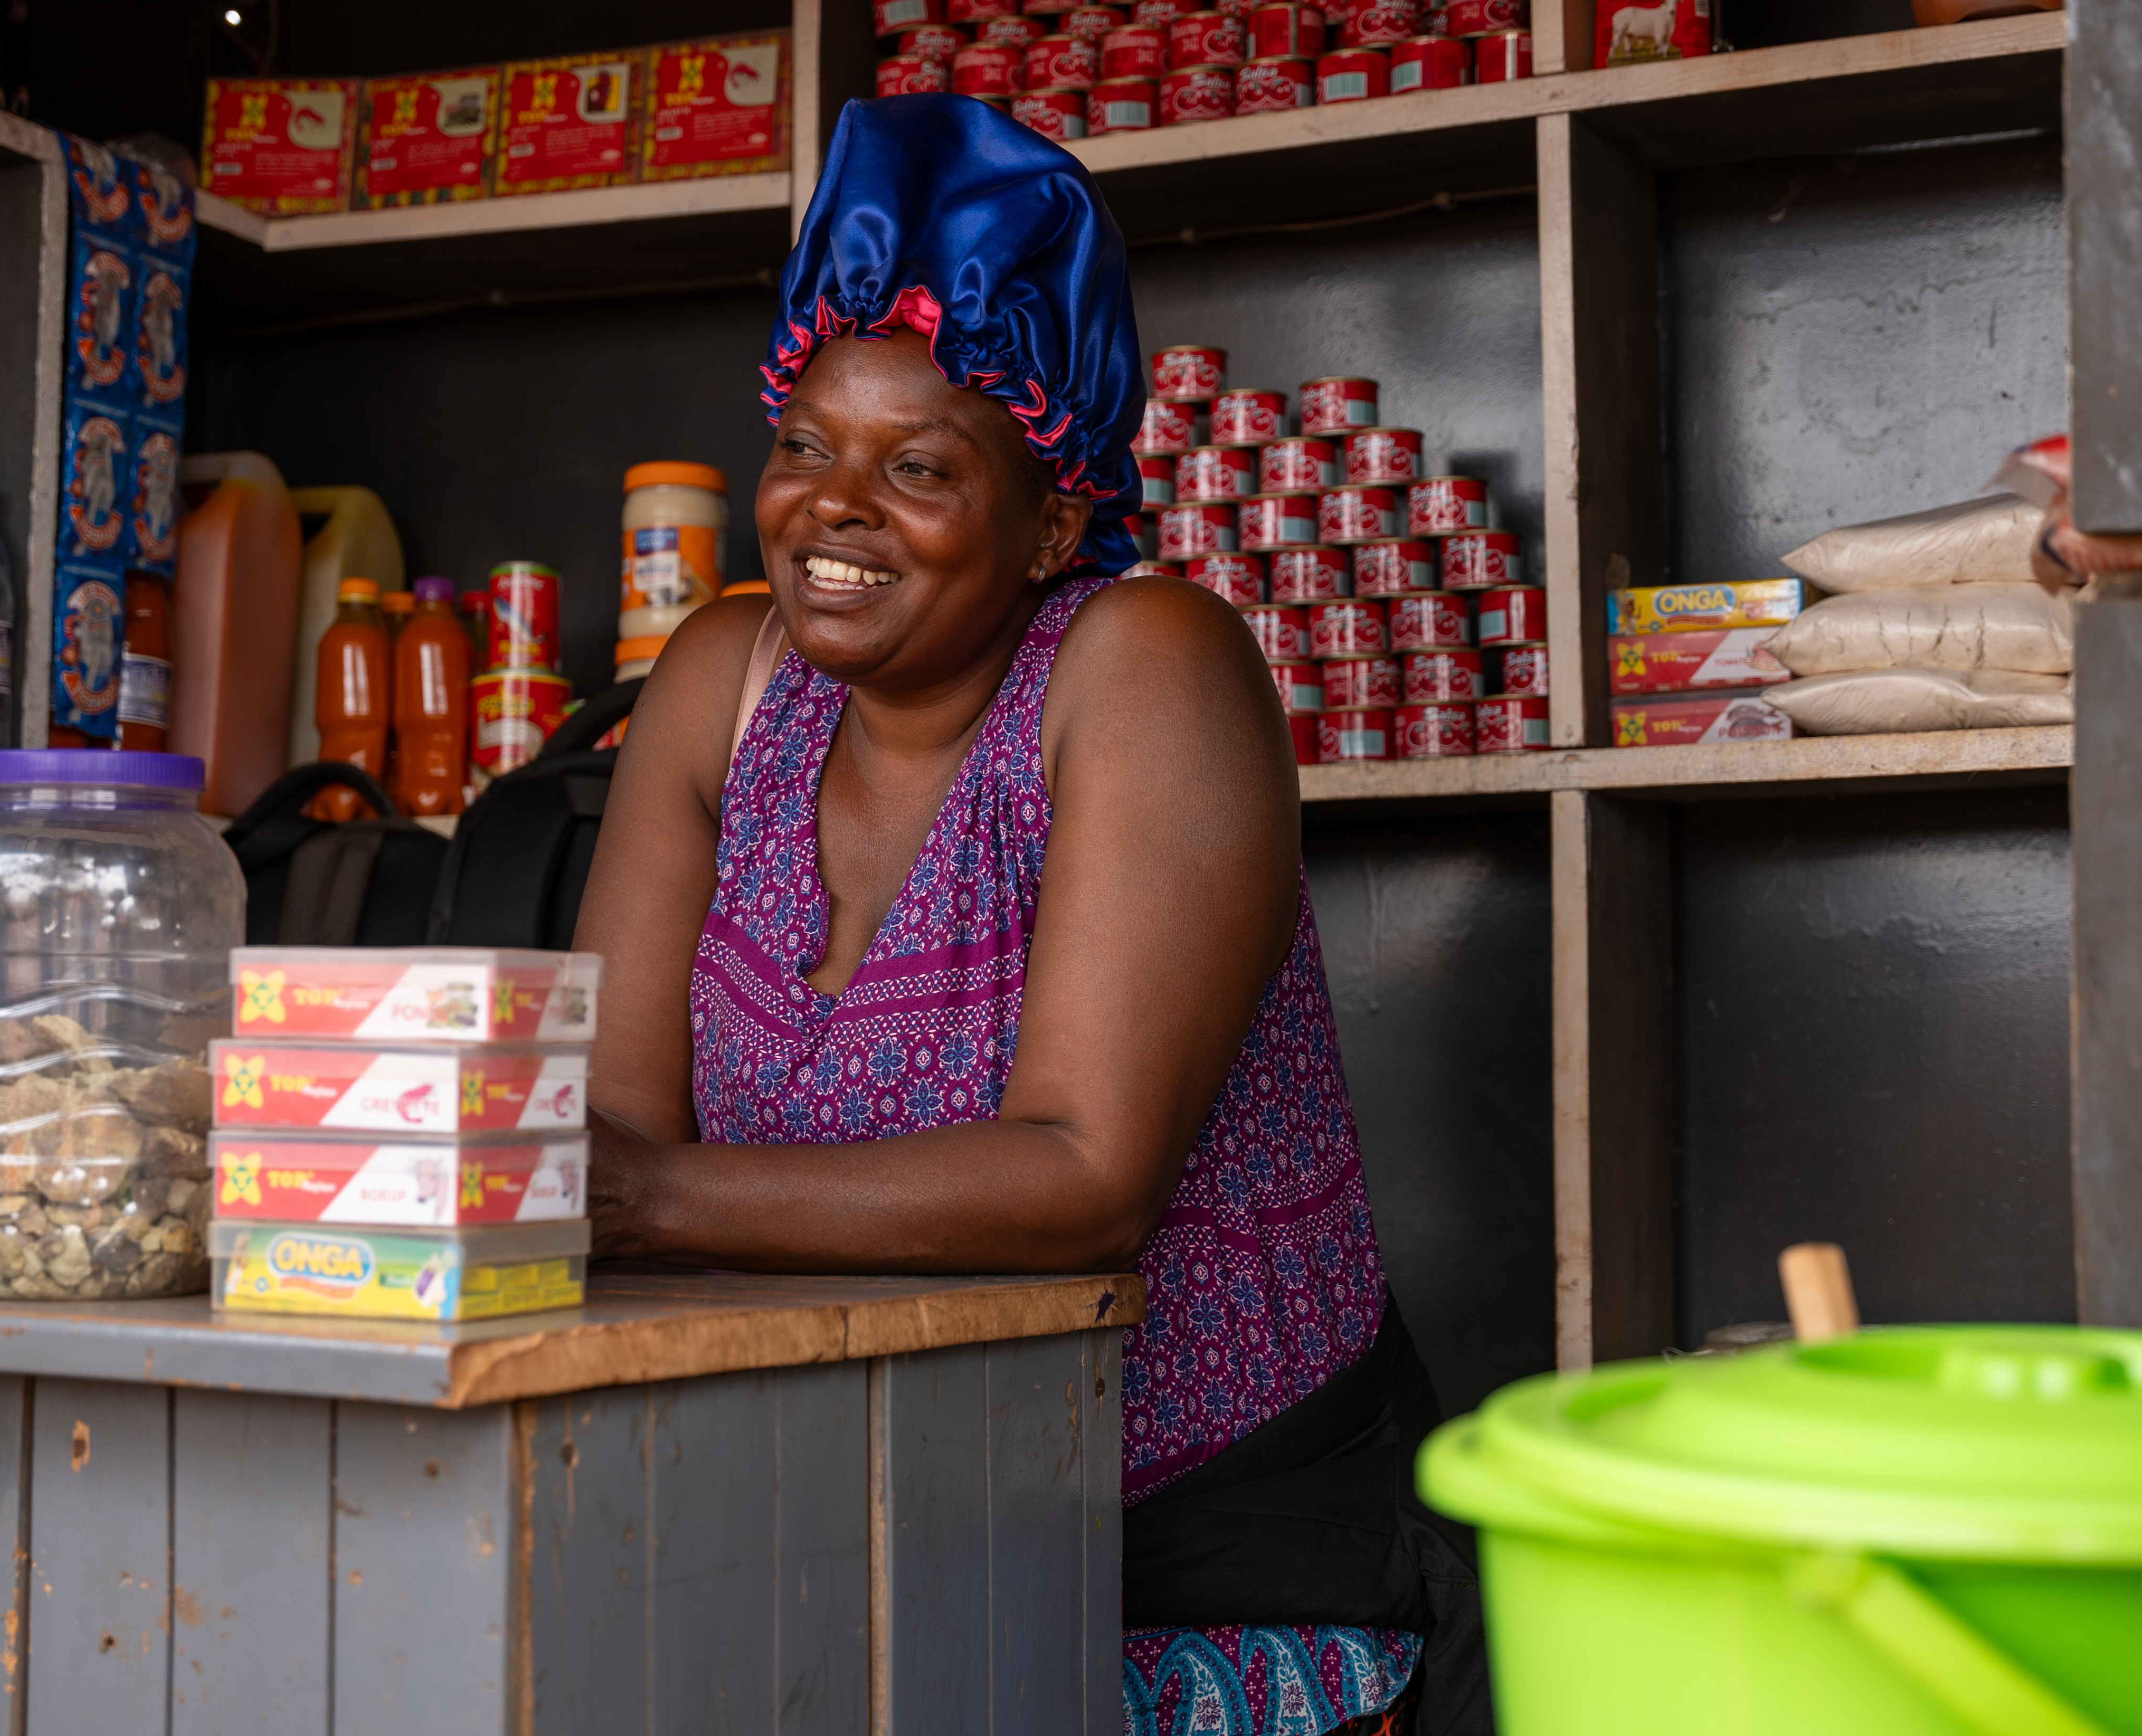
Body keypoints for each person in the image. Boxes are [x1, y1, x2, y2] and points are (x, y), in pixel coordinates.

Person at [573, 94, 1482, 1735]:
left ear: (1054, 515)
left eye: (916, 466)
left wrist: (633, 1194)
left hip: (1193, 1577)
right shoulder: (719, 683)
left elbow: (1083, 1177)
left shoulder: (1147, 667)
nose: (830, 508)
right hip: (826, 1533)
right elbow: (610, 1129)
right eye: (803, 445)